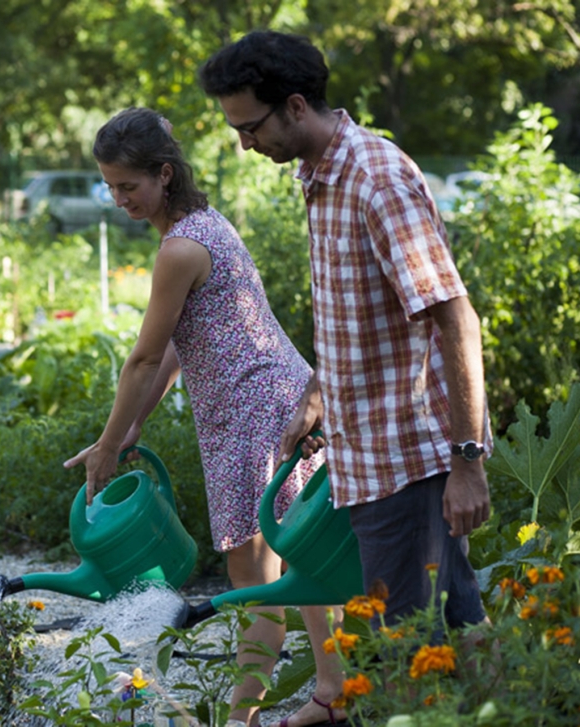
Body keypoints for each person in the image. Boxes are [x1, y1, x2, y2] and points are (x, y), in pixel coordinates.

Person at [200, 30, 493, 725]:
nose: (245, 143)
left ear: (295, 106)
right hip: (364, 458)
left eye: (249, 126)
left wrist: (467, 461)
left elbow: (456, 320)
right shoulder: (320, 176)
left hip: (410, 461)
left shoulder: (375, 180)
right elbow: (364, 310)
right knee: (457, 619)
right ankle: (520, 708)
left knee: (403, 648)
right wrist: (318, 393)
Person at [63, 107, 344, 727]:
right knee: (296, 560)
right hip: (268, 404)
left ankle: (268, 709)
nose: (118, 200)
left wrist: (108, 447)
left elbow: (139, 360)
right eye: (110, 186)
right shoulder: (203, 226)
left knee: (263, 573)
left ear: (165, 175)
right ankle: (328, 689)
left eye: (128, 186)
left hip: (258, 415)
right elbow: (171, 349)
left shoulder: (181, 249)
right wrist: (132, 427)